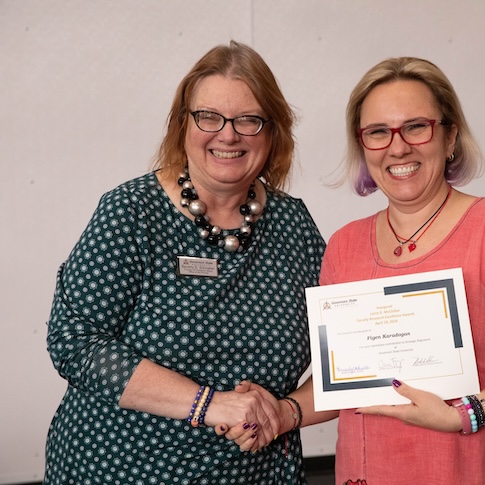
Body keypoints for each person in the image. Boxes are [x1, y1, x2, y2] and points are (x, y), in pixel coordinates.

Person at [227, 56, 485, 484]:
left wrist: (466, 414)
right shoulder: (345, 245)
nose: (398, 148)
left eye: (416, 127)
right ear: (363, 147)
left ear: (450, 136)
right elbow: (349, 381)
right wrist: (283, 413)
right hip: (370, 470)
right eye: (378, 133)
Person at [44, 40, 325, 484]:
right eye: (208, 117)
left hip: (257, 473)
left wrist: (287, 413)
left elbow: (350, 355)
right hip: (122, 470)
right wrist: (209, 404)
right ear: (182, 125)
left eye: (249, 120)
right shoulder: (131, 212)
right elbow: (74, 340)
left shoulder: (293, 224)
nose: (228, 135)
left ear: (274, 132)